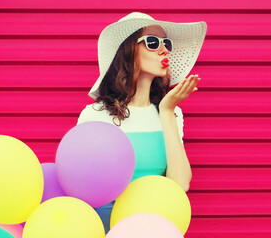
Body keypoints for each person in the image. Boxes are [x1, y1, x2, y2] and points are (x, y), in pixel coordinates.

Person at [75, 12, 207, 233]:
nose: (164, 49)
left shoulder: (172, 114)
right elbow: (81, 185)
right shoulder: (95, 115)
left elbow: (180, 184)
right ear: (127, 51)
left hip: (152, 228)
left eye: (167, 43)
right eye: (153, 42)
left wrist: (166, 111)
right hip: (106, 229)